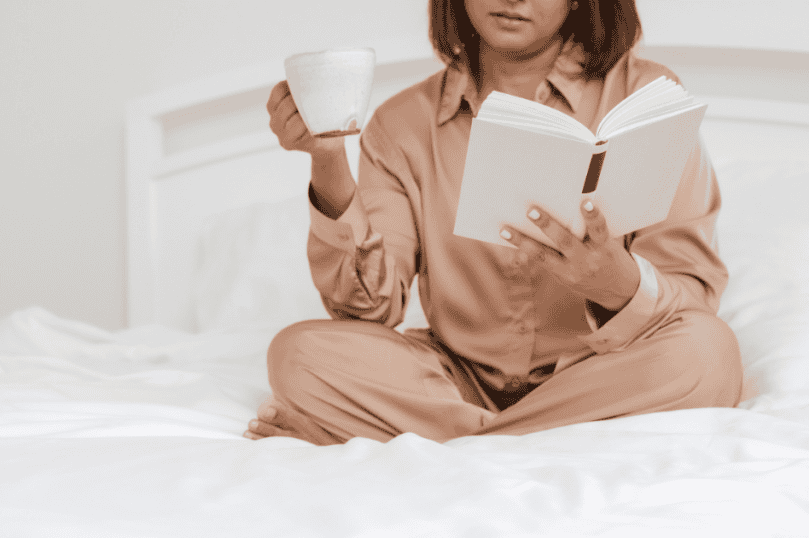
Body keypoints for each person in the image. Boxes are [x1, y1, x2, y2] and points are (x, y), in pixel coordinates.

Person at [243, 0, 743, 445]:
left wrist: (617, 284)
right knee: (298, 354)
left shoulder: (646, 97)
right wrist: (328, 158)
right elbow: (370, 309)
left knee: (708, 352)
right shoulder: (401, 125)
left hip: (604, 372)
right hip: (458, 380)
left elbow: (692, 294)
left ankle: (454, 443)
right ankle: (524, 440)